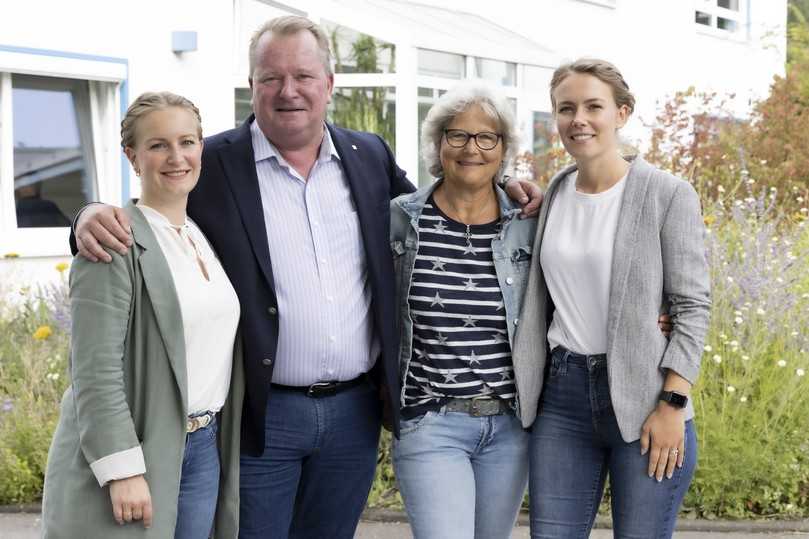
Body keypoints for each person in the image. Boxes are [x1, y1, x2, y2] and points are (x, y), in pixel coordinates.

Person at [71, 16, 544, 539]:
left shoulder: (369, 157)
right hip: (263, 417)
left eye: (303, 76)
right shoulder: (213, 163)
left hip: (353, 415)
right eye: (271, 77)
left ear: (329, 84)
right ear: (251, 86)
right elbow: (152, 210)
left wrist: (511, 190)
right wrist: (87, 214)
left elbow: (443, 206)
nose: (288, 90)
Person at [512, 58, 711, 538]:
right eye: (566, 108)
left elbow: (692, 307)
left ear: (621, 113)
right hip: (562, 398)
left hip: (646, 399)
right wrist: (505, 186)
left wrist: (672, 405)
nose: (578, 119)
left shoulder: (667, 194)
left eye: (593, 106)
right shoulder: (555, 193)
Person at [42, 92, 244, 538]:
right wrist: (121, 469)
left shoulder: (198, 234)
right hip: (142, 450)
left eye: (187, 142)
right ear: (133, 157)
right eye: (158, 145)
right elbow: (94, 370)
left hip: (203, 445)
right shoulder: (112, 242)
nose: (176, 157)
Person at [389, 82, 535, 539]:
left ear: (503, 149)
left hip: (510, 427)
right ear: (438, 144)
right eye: (457, 135)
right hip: (431, 422)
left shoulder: (529, 223)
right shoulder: (400, 219)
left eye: (486, 137)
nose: (471, 148)